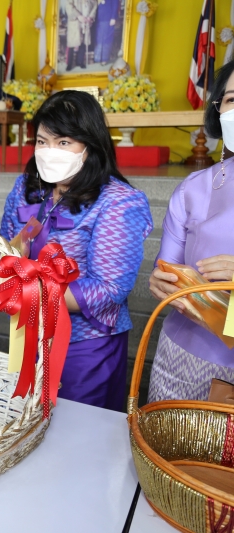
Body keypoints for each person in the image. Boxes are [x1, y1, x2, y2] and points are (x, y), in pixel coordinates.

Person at [0, 90, 152, 411]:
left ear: (89, 145)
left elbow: (109, 289)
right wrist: (6, 262)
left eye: (63, 142)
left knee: (79, 435)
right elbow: (1, 250)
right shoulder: (27, 188)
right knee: (25, 425)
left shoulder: (117, 201)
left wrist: (30, 288)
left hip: (86, 347)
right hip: (28, 335)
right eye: (42, 141)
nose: (50, 151)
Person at [148, 60, 234, 402]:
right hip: (184, 360)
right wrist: (162, 279)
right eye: (232, 99)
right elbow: (167, 267)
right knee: (166, 454)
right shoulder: (193, 188)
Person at [66, 0, 98, 71]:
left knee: (83, 42)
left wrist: (90, 17)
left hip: (86, 21)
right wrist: (78, 16)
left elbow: (94, 5)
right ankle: (69, 64)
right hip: (75, 22)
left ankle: (79, 62)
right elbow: (69, 5)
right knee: (72, 43)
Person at [93, 0, 120, 66]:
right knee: (99, 39)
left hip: (108, 18)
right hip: (98, 19)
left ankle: (104, 59)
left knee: (106, 39)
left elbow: (115, 4)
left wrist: (113, 17)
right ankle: (98, 58)